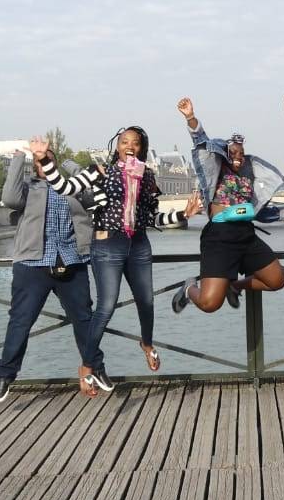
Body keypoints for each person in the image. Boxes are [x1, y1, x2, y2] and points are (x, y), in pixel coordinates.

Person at [30, 127, 193, 388]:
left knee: (147, 301)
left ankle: (146, 343)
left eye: (136, 143)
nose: (130, 146)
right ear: (117, 147)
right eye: (124, 142)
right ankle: (88, 363)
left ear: (141, 148)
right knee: (107, 306)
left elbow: (152, 218)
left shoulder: (147, 176)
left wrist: (182, 215)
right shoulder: (100, 172)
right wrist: (46, 161)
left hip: (138, 243)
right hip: (108, 244)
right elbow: (64, 187)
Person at [0, 148, 98, 404]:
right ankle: (6, 373)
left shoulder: (72, 188)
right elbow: (9, 198)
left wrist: (73, 165)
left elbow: (94, 197)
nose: (43, 161)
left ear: (54, 161)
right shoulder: (30, 188)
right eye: (39, 159)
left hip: (72, 260)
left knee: (84, 319)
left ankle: (95, 368)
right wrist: (18, 159)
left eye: (47, 157)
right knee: (21, 320)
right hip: (33, 264)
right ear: (35, 164)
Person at [171, 98, 284, 314]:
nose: (238, 157)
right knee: (209, 304)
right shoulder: (217, 169)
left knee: (277, 280)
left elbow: (257, 209)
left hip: (246, 235)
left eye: (242, 154)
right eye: (233, 153)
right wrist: (190, 117)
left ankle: (234, 286)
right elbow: (201, 141)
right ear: (224, 154)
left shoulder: (249, 173)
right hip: (219, 237)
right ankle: (189, 288)